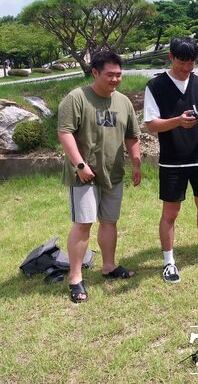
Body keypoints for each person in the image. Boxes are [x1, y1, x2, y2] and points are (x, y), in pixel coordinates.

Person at [57, 50, 141, 303]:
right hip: (84, 174)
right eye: (110, 75)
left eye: (119, 75)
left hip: (113, 173)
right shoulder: (76, 98)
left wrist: (136, 163)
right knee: (83, 224)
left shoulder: (123, 102)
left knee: (109, 222)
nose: (115, 79)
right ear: (95, 72)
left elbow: (131, 135)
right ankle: (75, 278)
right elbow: (65, 133)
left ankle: (109, 266)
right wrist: (80, 164)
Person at [144, 37, 198, 284]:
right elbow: (151, 124)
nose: (187, 68)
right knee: (170, 212)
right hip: (172, 160)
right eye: (182, 62)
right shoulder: (156, 86)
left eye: (191, 62)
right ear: (170, 57)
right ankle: (169, 262)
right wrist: (178, 121)